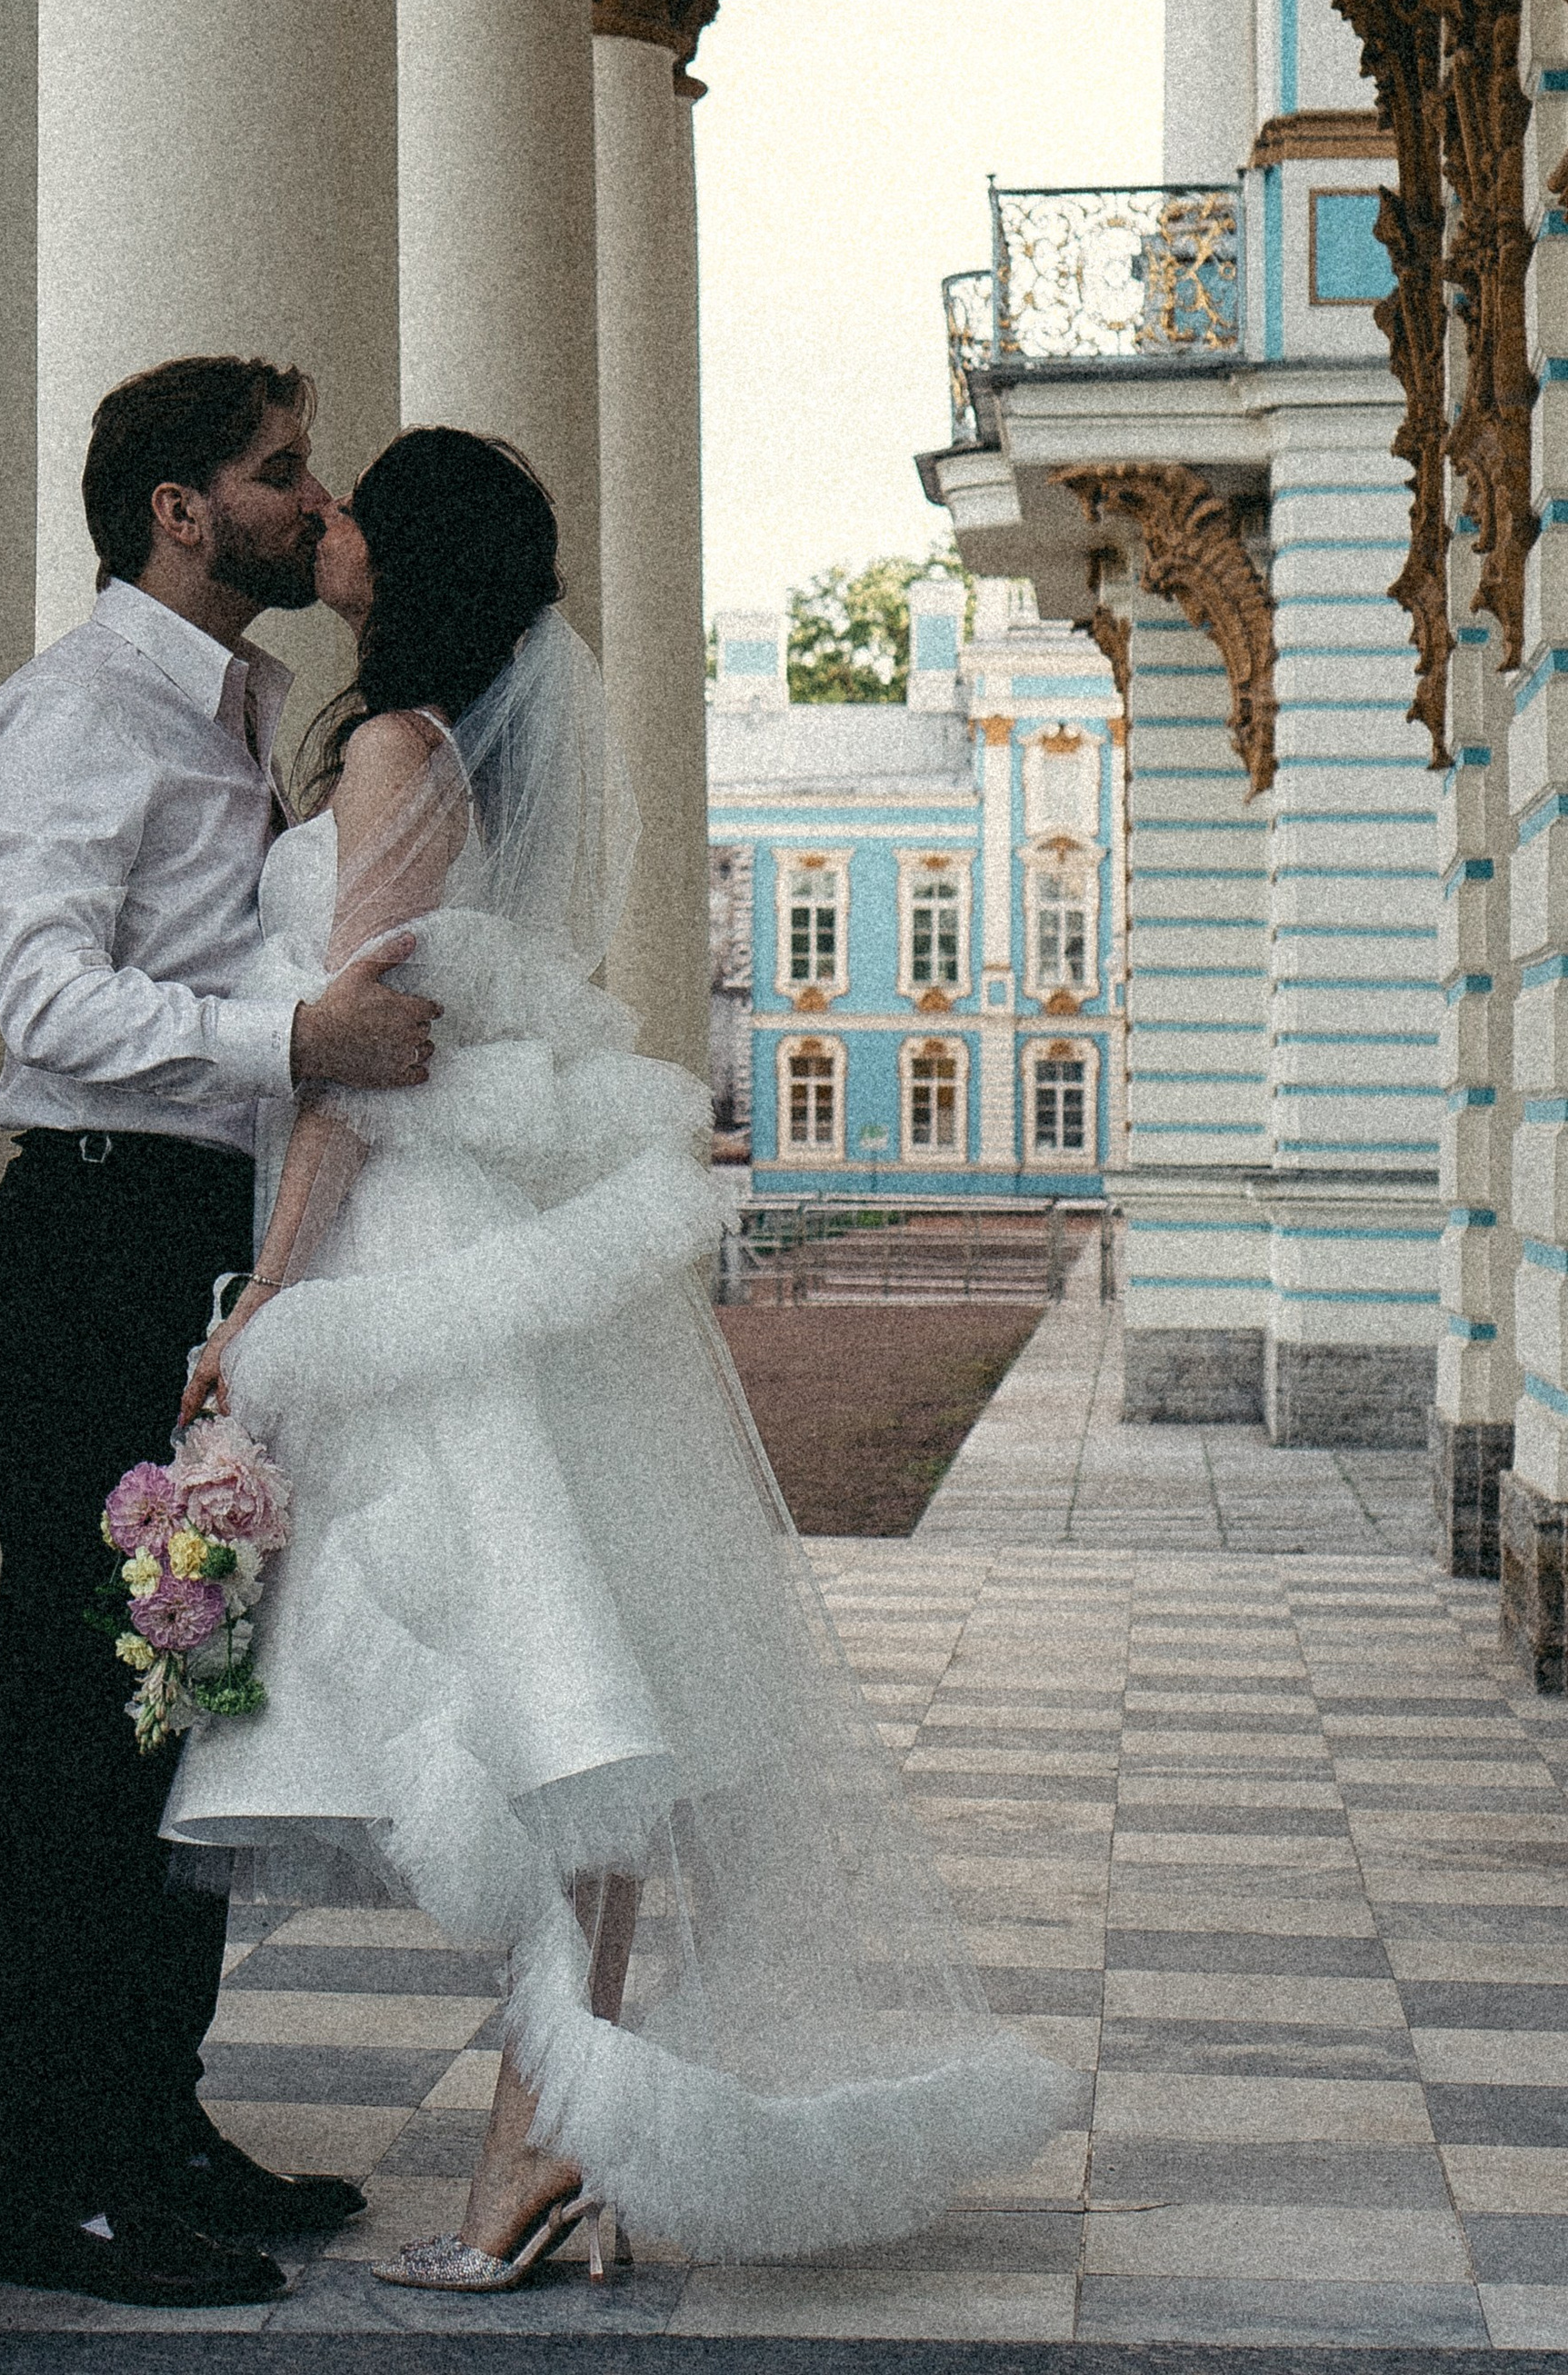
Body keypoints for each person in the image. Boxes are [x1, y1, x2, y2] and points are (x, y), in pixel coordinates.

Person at [164, 427, 1077, 2289]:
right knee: (563, 1703)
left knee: (548, 1700)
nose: (320, 521)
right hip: (469, 1247)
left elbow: (360, 1053)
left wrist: (267, 1301)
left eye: (346, 508)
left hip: (412, 1252)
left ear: (398, 556)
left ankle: (542, 2146)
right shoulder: (423, 743)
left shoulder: (399, 750)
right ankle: (551, 2140)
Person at [0, 356, 442, 2307]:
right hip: (87, 1233)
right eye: (275, 474)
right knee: (81, 1719)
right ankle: (53, 2185)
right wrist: (292, 1039)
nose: (307, 503)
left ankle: (149, 2119)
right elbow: (44, 1004)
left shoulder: (230, 702)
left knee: (177, 1701)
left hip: (190, 1241)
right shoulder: (74, 717)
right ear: (176, 507)